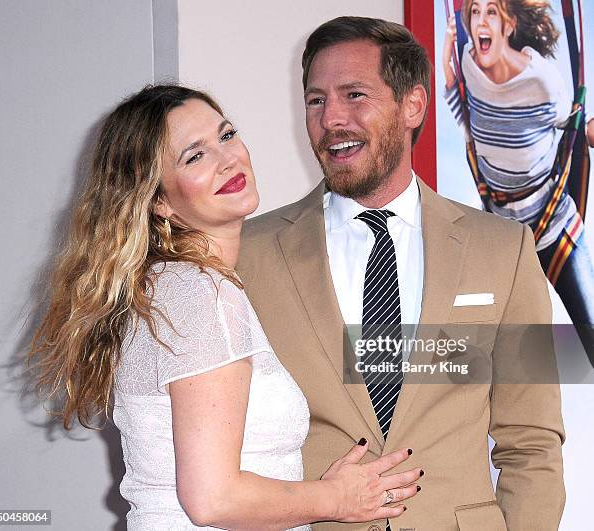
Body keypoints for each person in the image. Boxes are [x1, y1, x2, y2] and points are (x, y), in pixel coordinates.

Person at [26, 85, 423, 529]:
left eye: (227, 135)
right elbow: (214, 499)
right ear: (158, 201)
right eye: (194, 156)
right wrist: (334, 498)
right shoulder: (198, 292)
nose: (228, 159)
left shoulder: (171, 286)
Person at [237, 16, 565, 530]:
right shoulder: (246, 254)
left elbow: (533, 441)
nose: (332, 120)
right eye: (316, 100)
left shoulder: (507, 251)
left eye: (354, 95)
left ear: (413, 105)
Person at [443, 0, 594, 364]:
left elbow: (572, 124)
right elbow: (462, 105)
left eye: (491, 12)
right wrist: (448, 56)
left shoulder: (541, 82)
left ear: (509, 25)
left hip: (552, 226)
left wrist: (587, 131)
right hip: (501, 237)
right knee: (464, 356)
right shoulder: (467, 63)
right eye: (475, 11)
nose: (480, 20)